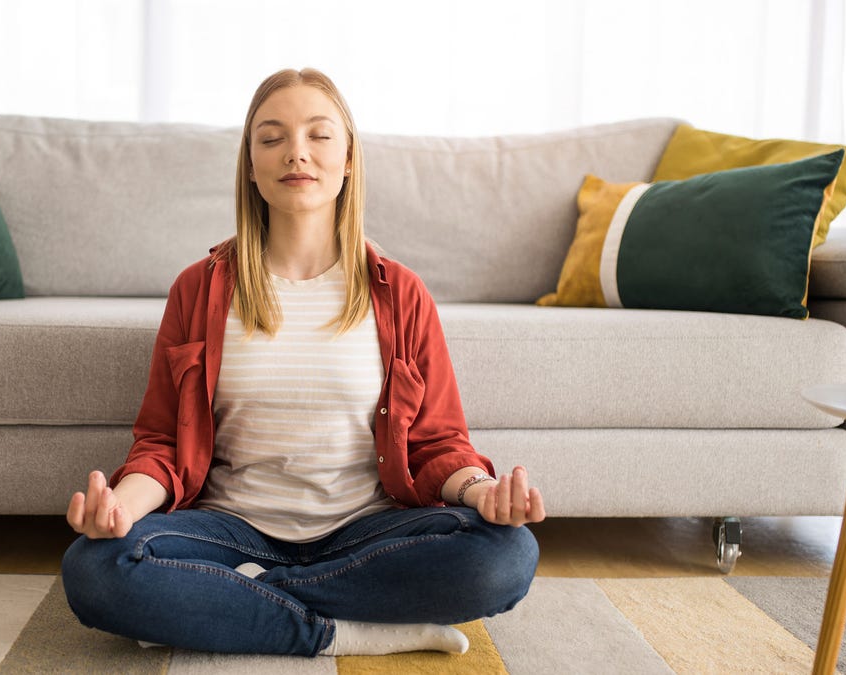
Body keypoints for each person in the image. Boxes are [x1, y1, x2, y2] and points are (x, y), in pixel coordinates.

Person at [61, 67, 546, 658]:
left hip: (365, 532)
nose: (297, 153)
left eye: (319, 135)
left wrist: (482, 492)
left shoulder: (401, 293)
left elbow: (438, 441)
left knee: (507, 555)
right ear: (250, 164)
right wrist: (120, 507)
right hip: (230, 529)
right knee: (95, 567)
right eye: (272, 138)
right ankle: (341, 631)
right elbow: (162, 441)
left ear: (348, 160)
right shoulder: (199, 288)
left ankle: (233, 602)